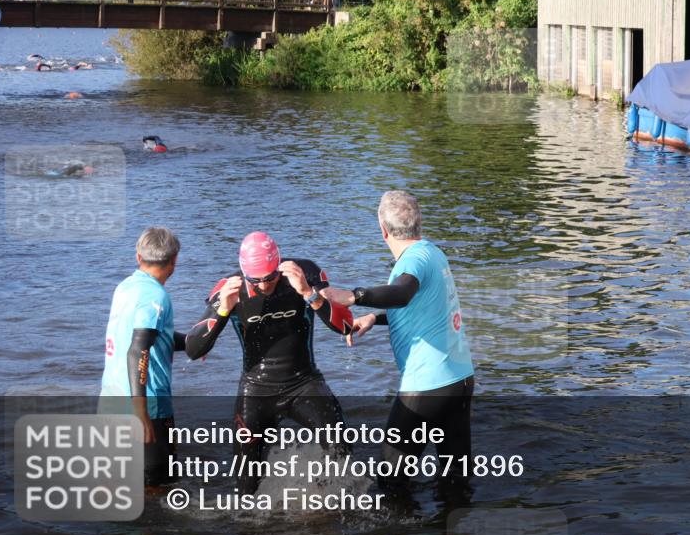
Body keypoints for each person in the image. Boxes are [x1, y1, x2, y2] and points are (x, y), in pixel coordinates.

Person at [320, 191, 475, 496]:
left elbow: (402, 293)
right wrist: (374, 319)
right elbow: (421, 310)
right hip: (459, 379)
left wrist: (355, 296)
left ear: (383, 231)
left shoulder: (414, 261)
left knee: (391, 481)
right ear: (420, 223)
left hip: (427, 386)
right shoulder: (433, 253)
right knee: (455, 478)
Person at [185, 232, 355, 495]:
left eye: (270, 277)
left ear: (278, 265)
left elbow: (345, 325)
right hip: (256, 390)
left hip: (304, 383)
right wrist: (222, 312)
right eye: (256, 281)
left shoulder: (304, 273)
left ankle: (324, 507)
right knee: (245, 487)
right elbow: (193, 349)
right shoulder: (229, 288)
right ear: (244, 273)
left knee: (341, 443)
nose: (264, 285)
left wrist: (310, 294)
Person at [99, 228, 186, 485]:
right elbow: (138, 349)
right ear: (174, 262)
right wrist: (141, 414)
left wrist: (194, 341)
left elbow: (146, 336)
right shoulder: (155, 296)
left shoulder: (125, 286)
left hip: (111, 401)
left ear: (138, 257)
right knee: (160, 487)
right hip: (148, 407)